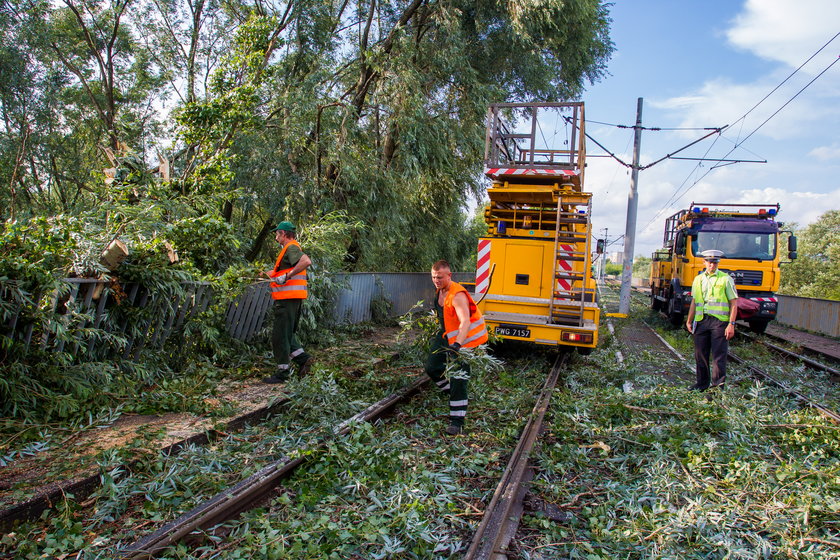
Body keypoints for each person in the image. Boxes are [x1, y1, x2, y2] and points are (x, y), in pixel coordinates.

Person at [425, 260, 488, 435]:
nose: (436, 280)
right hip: (446, 335)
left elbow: (465, 321)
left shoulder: (457, 294)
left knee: (459, 378)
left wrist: (457, 345)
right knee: (432, 367)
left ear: (449, 275)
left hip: (463, 341)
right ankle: (453, 395)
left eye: (440, 277)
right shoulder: (439, 290)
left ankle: (457, 422)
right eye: (434, 277)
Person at [263, 221, 314, 384]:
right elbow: (281, 272)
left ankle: (283, 373)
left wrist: (287, 276)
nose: (276, 237)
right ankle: (304, 360)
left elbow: (306, 261)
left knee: (279, 336)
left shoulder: (291, 247)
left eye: (277, 234)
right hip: (291, 299)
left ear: (283, 234)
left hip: (287, 299)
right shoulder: (288, 249)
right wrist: (268, 274)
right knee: (286, 334)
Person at [685, 249, 738, 391]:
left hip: (720, 322)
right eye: (709, 262)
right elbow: (694, 302)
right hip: (701, 320)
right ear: (704, 262)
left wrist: (731, 324)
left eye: (715, 262)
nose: (712, 265)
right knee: (700, 354)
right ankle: (701, 384)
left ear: (718, 263)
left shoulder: (726, 279)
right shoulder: (698, 279)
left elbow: (734, 303)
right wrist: (689, 320)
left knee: (718, 357)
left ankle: (716, 388)